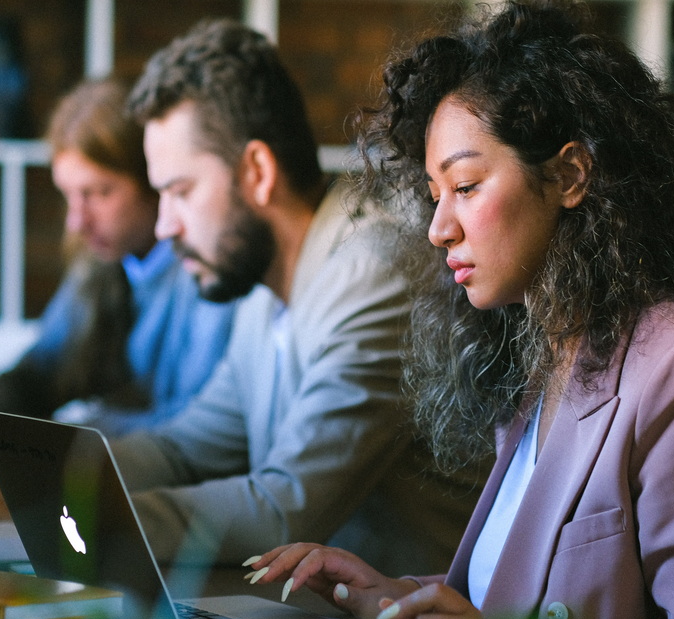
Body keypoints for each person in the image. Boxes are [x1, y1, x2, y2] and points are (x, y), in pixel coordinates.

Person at [244, 0, 674, 619]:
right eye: (434, 194)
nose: (438, 227)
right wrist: (399, 603)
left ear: (571, 174)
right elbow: (531, 599)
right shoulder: (546, 358)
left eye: (466, 187)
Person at [106, 18, 479, 578]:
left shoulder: (375, 272)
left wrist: (90, 516)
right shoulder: (264, 292)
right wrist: (51, 469)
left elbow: (288, 506)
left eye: (179, 192)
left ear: (257, 172)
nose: (164, 226)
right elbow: (186, 448)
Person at [0, 77, 236, 519]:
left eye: (98, 194)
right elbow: (40, 371)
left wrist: (61, 439)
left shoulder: (208, 271)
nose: (76, 221)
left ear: (154, 180)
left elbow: (196, 431)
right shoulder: (104, 262)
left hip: (185, 511)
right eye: (69, 195)